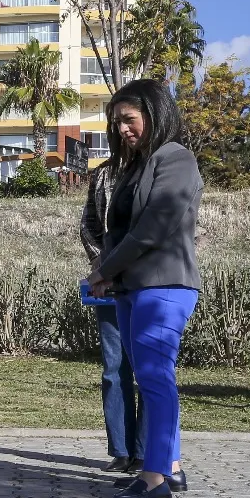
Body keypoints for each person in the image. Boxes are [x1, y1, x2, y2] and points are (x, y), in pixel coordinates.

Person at [86, 79, 203, 498]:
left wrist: (105, 268)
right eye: (116, 122)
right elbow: (116, 229)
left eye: (129, 119)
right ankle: (169, 467)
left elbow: (153, 229)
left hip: (164, 285)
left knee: (155, 381)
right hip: (131, 288)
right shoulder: (137, 166)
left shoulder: (177, 159)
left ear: (155, 114)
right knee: (152, 379)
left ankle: (153, 478)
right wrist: (106, 273)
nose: (121, 129)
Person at [81, 159, 141, 473]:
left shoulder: (159, 166)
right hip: (108, 280)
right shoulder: (104, 172)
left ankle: (146, 452)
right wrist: (103, 265)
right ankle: (120, 450)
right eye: (116, 123)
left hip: (149, 279)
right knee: (113, 367)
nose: (122, 130)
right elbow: (88, 224)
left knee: (149, 369)